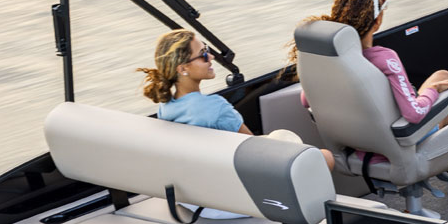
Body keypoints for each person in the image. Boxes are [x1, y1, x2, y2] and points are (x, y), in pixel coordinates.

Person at [291, 0, 448, 200]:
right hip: (400, 140)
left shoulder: (332, 63)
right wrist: (433, 91)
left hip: (358, 144)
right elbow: (414, 114)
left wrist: (434, 86)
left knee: (442, 75)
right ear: (377, 22)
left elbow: (305, 100)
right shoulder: (384, 58)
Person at [140, 29, 336, 169]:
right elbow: (254, 148)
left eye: (207, 49)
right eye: (203, 55)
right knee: (325, 157)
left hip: (208, 185)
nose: (211, 57)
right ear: (182, 68)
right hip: (239, 184)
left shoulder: (166, 108)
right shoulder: (215, 107)